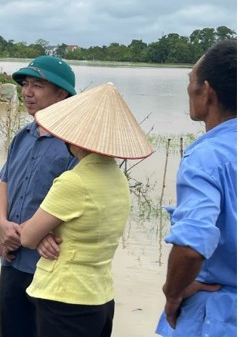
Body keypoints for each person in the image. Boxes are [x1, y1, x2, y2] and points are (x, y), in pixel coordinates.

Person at [19, 83, 153, 337]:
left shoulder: (74, 181)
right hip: (100, 297)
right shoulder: (117, 178)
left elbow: (27, 237)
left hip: (64, 298)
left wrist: (37, 234)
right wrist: (42, 234)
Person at [155, 40, 237, 336]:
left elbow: (191, 246)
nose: (189, 89)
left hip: (217, 315)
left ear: (206, 90)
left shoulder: (208, 156)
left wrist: (173, 292)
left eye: (191, 81)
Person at [0, 55, 77, 337]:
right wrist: (2, 225)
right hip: (12, 260)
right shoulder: (23, 136)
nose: (27, 92)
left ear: (61, 93)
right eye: (26, 84)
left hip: (48, 268)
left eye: (38, 86)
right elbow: (4, 185)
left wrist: (38, 233)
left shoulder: (75, 147)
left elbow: (77, 203)